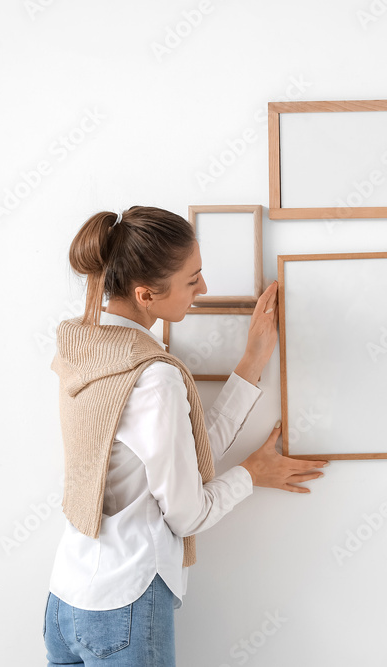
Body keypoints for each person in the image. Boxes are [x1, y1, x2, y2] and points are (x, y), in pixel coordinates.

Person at [42, 205, 328, 666]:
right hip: (125, 602)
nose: (205, 288)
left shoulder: (84, 343)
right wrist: (250, 475)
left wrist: (252, 358)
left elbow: (179, 453)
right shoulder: (152, 375)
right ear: (146, 294)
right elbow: (187, 516)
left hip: (66, 599)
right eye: (193, 280)